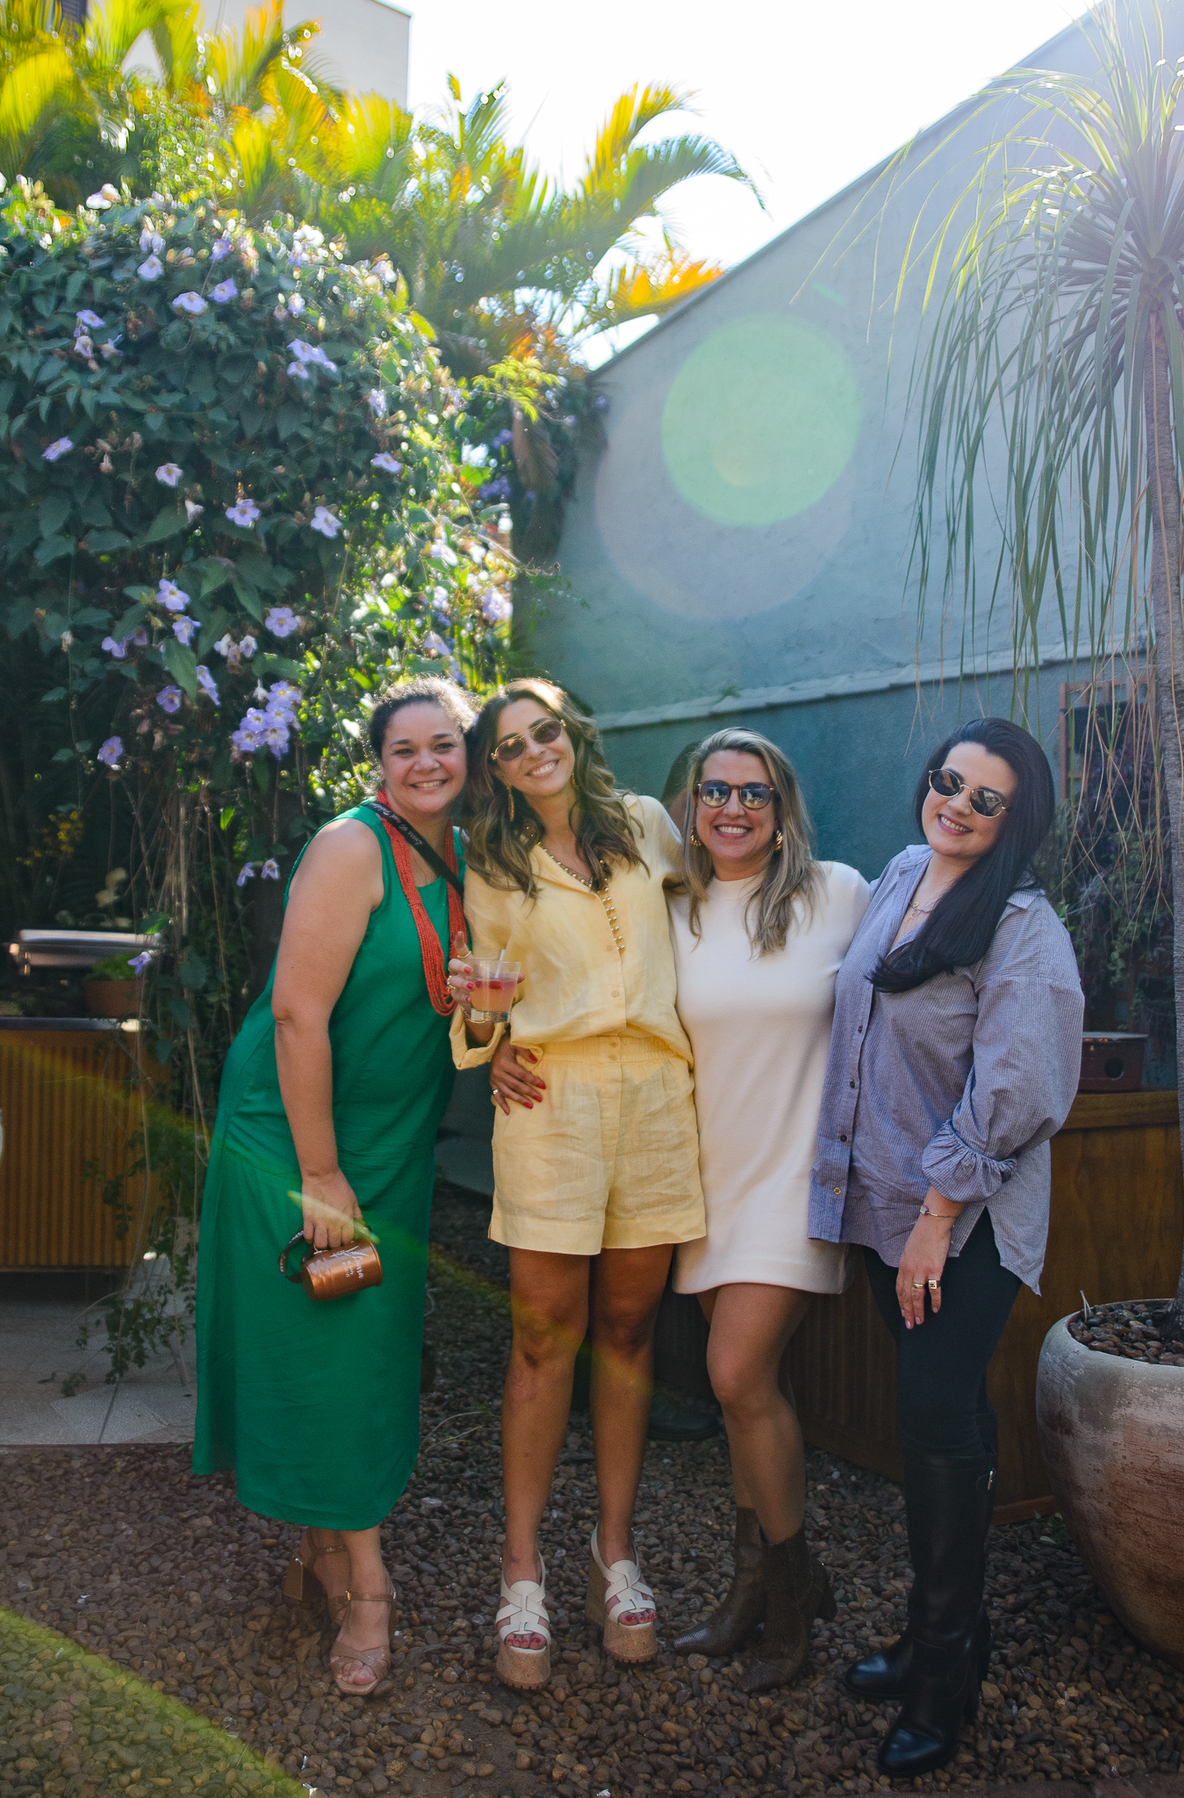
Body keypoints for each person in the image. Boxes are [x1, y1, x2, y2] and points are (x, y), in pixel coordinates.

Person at [809, 717, 1084, 1774]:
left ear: (1017, 820)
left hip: (960, 1221)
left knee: (933, 1421)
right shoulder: (901, 873)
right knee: (949, 1413)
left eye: (986, 798)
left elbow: (1018, 1089)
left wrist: (935, 1220)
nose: (957, 804)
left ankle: (940, 1674)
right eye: (948, 780)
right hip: (885, 1200)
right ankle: (947, 1638)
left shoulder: (1024, 927)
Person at [193, 676, 476, 1696]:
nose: (426, 762)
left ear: (468, 755)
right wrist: (319, 1174)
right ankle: (368, 1586)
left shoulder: (464, 856)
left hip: (390, 1141)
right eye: (405, 749)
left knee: (359, 1341)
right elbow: (297, 1014)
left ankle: (318, 1550)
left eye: (444, 744)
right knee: (334, 1348)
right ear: (379, 765)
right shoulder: (353, 846)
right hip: (298, 1139)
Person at [447, 678, 706, 1691]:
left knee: (632, 1332)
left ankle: (614, 1552)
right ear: (498, 772)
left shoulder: (644, 825)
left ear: (573, 735)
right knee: (542, 1337)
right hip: (551, 1102)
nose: (533, 752)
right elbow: (479, 1000)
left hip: (656, 1101)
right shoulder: (493, 863)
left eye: (543, 731)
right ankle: (522, 1571)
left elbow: (722, 900)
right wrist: (489, 1035)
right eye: (510, 746)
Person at [666, 728, 869, 1692]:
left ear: (782, 808)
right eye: (715, 791)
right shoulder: (672, 909)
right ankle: (755, 1583)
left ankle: (792, 1602)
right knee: (746, 1397)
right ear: (690, 806)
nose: (733, 808)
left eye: (753, 793)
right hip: (705, 1182)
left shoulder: (840, 895)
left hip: (796, 1178)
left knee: (736, 1371)